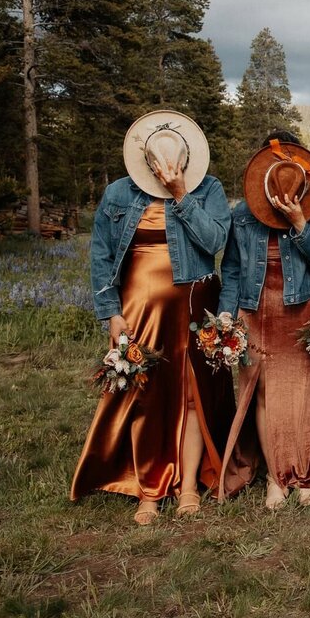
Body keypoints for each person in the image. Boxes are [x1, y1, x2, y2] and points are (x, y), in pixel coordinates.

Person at [73, 110, 234, 525]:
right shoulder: (118, 194)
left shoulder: (209, 188)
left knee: (193, 397)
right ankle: (149, 488)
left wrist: (181, 195)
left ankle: (188, 486)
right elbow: (102, 257)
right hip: (138, 309)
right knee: (145, 393)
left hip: (195, 306)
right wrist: (110, 313)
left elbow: (216, 240)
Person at [217, 131, 310, 509]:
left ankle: (305, 474)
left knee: (307, 394)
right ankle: (275, 476)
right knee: (265, 393)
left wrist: (301, 224)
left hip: (307, 308)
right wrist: (227, 310)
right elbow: (233, 269)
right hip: (257, 308)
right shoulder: (242, 213)